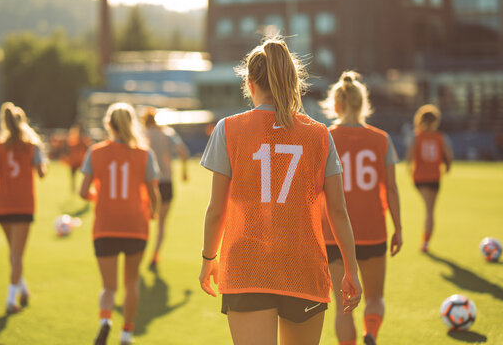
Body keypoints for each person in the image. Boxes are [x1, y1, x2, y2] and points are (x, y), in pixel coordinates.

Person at [198, 37, 362, 345]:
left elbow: (216, 210)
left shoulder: (228, 128)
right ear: (292, 82)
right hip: (303, 269)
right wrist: (351, 270)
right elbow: (338, 212)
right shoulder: (319, 134)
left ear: (249, 83)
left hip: (247, 270)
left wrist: (209, 258)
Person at [320, 71, 403, 345]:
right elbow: (390, 189)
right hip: (373, 230)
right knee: (375, 298)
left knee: (343, 307)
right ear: (363, 103)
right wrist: (398, 228)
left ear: (336, 105)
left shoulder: (325, 138)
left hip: (333, 234)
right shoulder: (382, 139)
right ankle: (371, 334)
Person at [79, 103, 161, 345]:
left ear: (108, 124)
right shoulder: (145, 154)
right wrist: (153, 213)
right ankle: (126, 333)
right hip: (136, 225)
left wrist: (99, 197)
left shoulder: (95, 152)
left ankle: (105, 320)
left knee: (109, 287)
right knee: (132, 283)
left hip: (105, 225)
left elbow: (83, 191)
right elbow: (154, 194)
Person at [0, 102, 47, 314]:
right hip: (23, 205)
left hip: (2, 204)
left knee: (13, 253)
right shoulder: (31, 147)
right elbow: (41, 174)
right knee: (17, 255)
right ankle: (11, 300)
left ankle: (24, 290)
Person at [141, 107, 190, 271]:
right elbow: (184, 152)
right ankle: (155, 253)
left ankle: (140, 253)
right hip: (166, 182)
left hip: (148, 183)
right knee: (161, 224)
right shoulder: (168, 133)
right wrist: (184, 172)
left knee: (145, 221)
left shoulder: (143, 134)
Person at [405, 104, 453, 253]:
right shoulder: (440, 137)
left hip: (420, 178)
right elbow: (449, 155)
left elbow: (409, 158)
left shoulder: (416, 136)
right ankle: (425, 242)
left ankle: (425, 242)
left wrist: (409, 171)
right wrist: (448, 167)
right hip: (434, 177)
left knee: (429, 210)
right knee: (430, 211)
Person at [65, 123, 91, 193]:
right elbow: (70, 147)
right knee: (73, 176)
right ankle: (73, 188)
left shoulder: (84, 139)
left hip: (81, 161)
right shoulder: (74, 139)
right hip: (74, 161)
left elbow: (88, 148)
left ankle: (84, 188)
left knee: (86, 175)